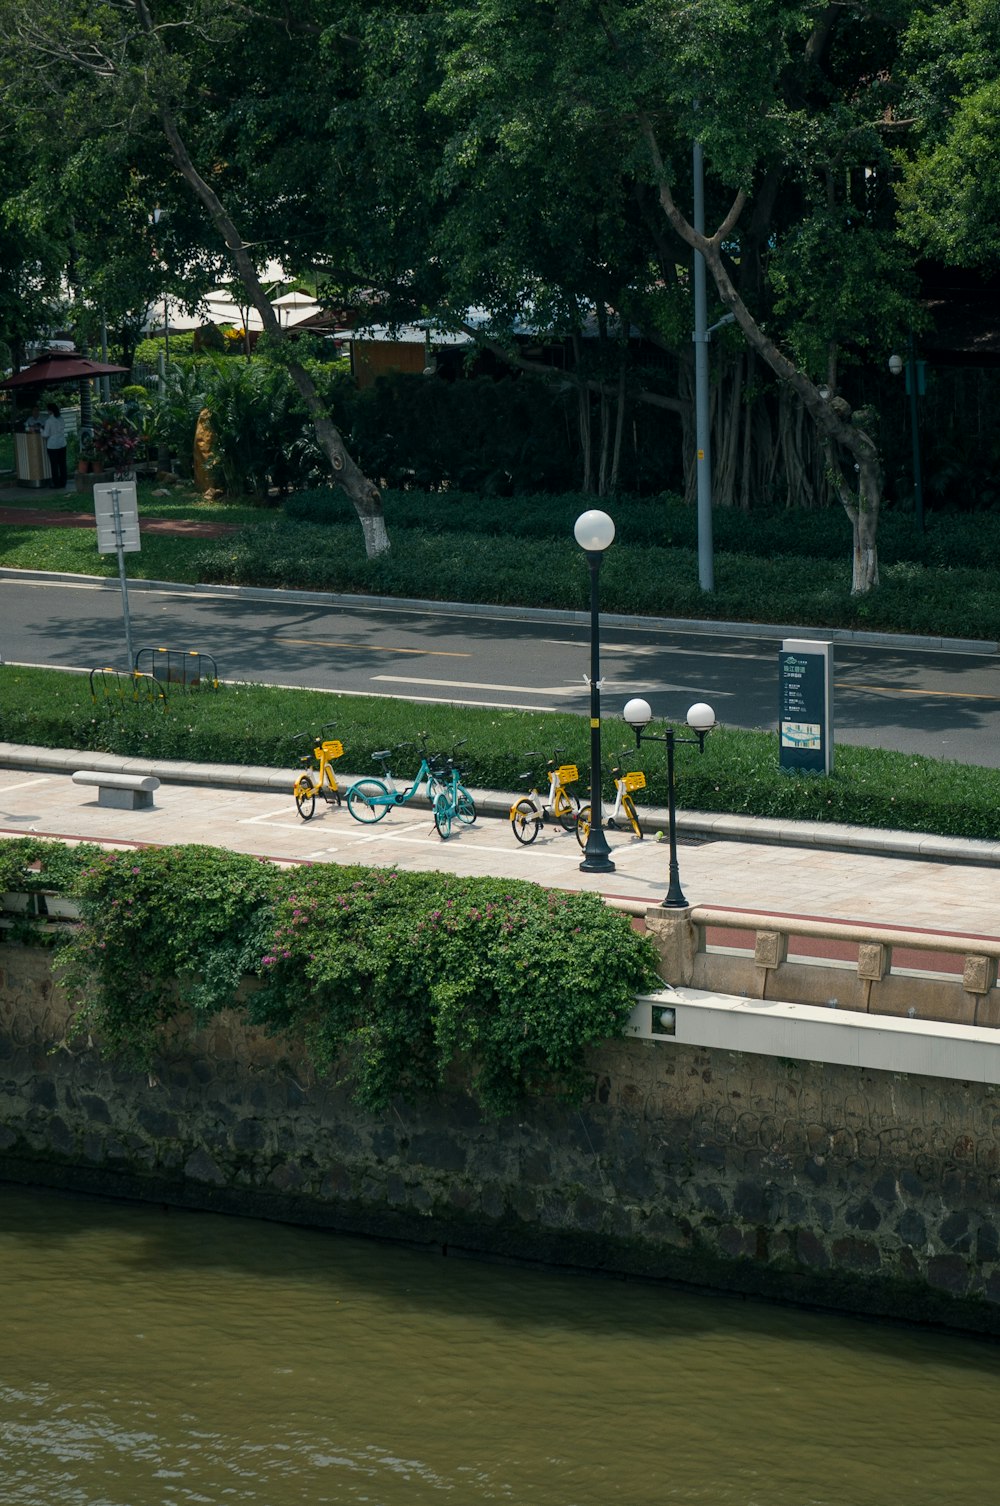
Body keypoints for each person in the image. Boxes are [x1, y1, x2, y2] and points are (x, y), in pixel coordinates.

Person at [42, 402, 67, 488]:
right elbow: (63, 427)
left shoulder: (49, 421)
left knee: (54, 465)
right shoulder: (61, 419)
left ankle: (56, 483)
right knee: (62, 464)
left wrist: (41, 430)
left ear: (50, 411)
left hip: (52, 445)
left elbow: (45, 434)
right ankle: (63, 481)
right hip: (62, 443)